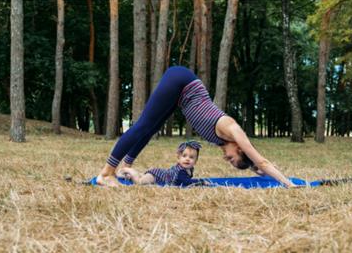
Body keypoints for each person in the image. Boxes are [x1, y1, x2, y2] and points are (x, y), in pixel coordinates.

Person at [97, 66, 296, 188]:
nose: (224, 157)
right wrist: (288, 184)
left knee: (150, 129)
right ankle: (106, 174)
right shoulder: (232, 129)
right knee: (143, 126)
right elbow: (261, 162)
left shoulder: (228, 141)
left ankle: (126, 167)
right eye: (230, 157)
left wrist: (272, 175)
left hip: (180, 96)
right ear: (240, 147)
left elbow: (258, 166)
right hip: (182, 82)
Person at [121, 140, 206, 187]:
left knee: (143, 177)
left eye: (191, 157)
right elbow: (186, 182)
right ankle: (130, 171)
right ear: (179, 158)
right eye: (184, 156)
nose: (187, 159)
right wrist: (201, 181)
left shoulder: (189, 169)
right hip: (156, 176)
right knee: (140, 182)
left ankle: (130, 176)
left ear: (196, 161)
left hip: (161, 174)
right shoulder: (181, 172)